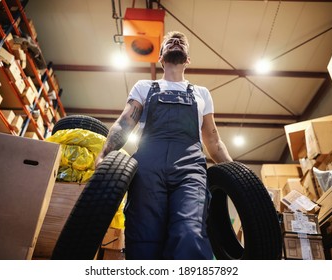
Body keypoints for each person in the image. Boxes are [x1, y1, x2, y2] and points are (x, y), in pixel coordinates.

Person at [96, 31, 233, 260]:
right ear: (160, 57)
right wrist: (103, 156)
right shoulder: (145, 87)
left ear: (188, 60)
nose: (176, 41)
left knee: (190, 232)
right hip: (147, 168)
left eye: (182, 42)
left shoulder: (202, 94)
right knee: (144, 238)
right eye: (170, 41)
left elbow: (214, 141)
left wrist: (238, 177)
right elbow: (124, 124)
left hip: (190, 169)